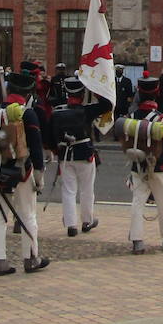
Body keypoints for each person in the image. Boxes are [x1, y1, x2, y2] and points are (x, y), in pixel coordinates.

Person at [0, 70, 49, 274]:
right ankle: (31, 258)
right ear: (27, 94)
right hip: (22, 170)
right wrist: (39, 175)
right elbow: (36, 147)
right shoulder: (27, 113)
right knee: (28, 214)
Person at [127, 76, 163, 254]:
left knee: (137, 202)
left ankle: (137, 240)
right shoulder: (161, 119)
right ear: (156, 93)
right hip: (159, 166)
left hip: (138, 166)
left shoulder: (131, 117)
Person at [51, 77, 111, 237]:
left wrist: (56, 150)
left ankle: (71, 225)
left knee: (68, 191)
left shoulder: (57, 111)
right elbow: (107, 105)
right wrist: (95, 89)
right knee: (86, 189)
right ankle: (87, 221)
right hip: (84, 153)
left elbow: (51, 135)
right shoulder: (86, 110)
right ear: (82, 93)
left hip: (65, 155)